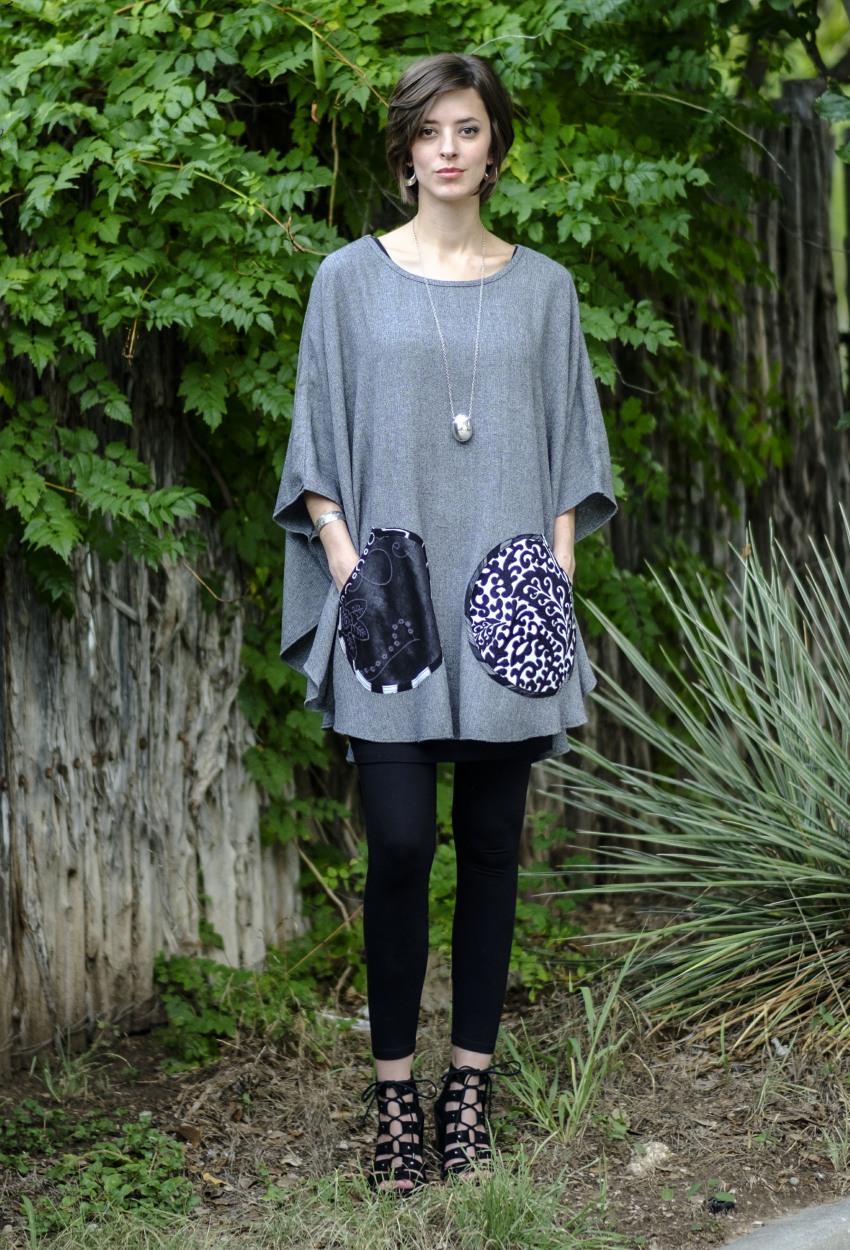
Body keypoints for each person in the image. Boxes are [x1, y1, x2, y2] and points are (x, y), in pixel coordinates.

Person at [273, 52, 616, 1192]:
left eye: (467, 128)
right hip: (391, 594)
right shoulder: (347, 281)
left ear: (494, 144)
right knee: (401, 843)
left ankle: (468, 1085)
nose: (449, 148)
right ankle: (393, 1096)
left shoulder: (545, 289)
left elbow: (570, 445)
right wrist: (345, 561)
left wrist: (555, 566)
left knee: (494, 846)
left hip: (510, 593)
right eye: (430, 131)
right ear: (406, 152)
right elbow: (316, 440)